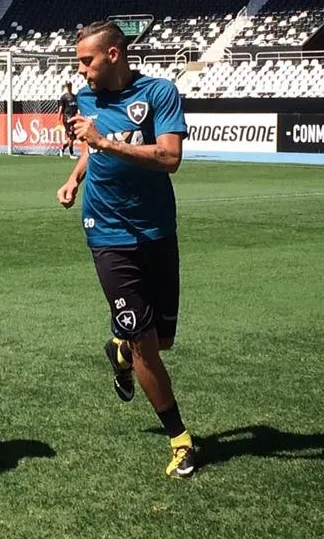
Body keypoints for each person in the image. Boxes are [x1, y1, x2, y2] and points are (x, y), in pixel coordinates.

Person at [56, 21, 196, 479]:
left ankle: (118, 348)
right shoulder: (84, 100)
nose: (81, 70)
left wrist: (103, 142)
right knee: (144, 345)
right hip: (107, 232)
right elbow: (90, 149)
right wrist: (76, 177)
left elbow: (170, 158)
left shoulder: (159, 93)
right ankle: (181, 440)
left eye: (87, 60)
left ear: (113, 55)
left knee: (162, 342)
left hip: (156, 230)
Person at [57, 81, 78, 159]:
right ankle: (71, 154)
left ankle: (62, 148)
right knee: (71, 136)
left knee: (72, 137)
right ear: (66, 87)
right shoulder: (64, 97)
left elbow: (77, 108)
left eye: (70, 85)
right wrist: (58, 119)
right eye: (68, 86)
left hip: (74, 118)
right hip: (67, 118)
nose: (69, 87)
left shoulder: (75, 97)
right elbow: (61, 108)